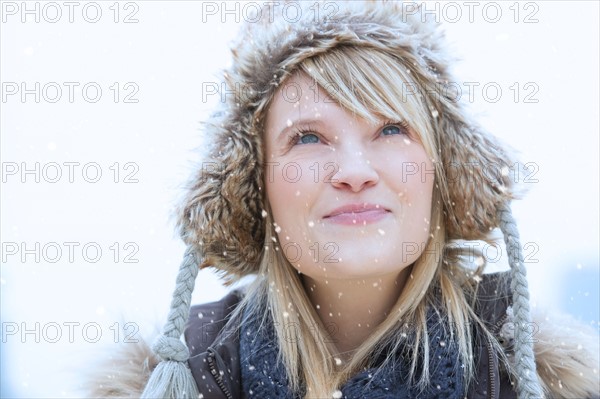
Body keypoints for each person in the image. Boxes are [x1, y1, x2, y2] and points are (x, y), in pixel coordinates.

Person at [89, 2, 599, 398]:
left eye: (392, 129)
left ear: (443, 173)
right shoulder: (183, 380)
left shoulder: (543, 379)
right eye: (308, 138)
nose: (354, 171)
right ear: (253, 184)